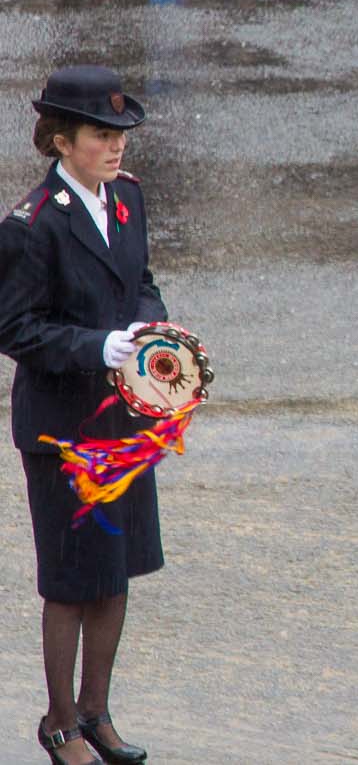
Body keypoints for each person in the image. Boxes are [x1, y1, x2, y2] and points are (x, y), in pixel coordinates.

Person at [0, 66, 166, 765]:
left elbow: (145, 285)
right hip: (64, 431)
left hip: (123, 424)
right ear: (63, 142)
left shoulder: (126, 199)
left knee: (115, 570)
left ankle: (97, 711)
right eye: (102, 134)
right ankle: (60, 722)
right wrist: (99, 344)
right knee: (72, 580)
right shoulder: (33, 227)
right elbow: (15, 328)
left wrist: (154, 336)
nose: (116, 146)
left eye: (119, 133)